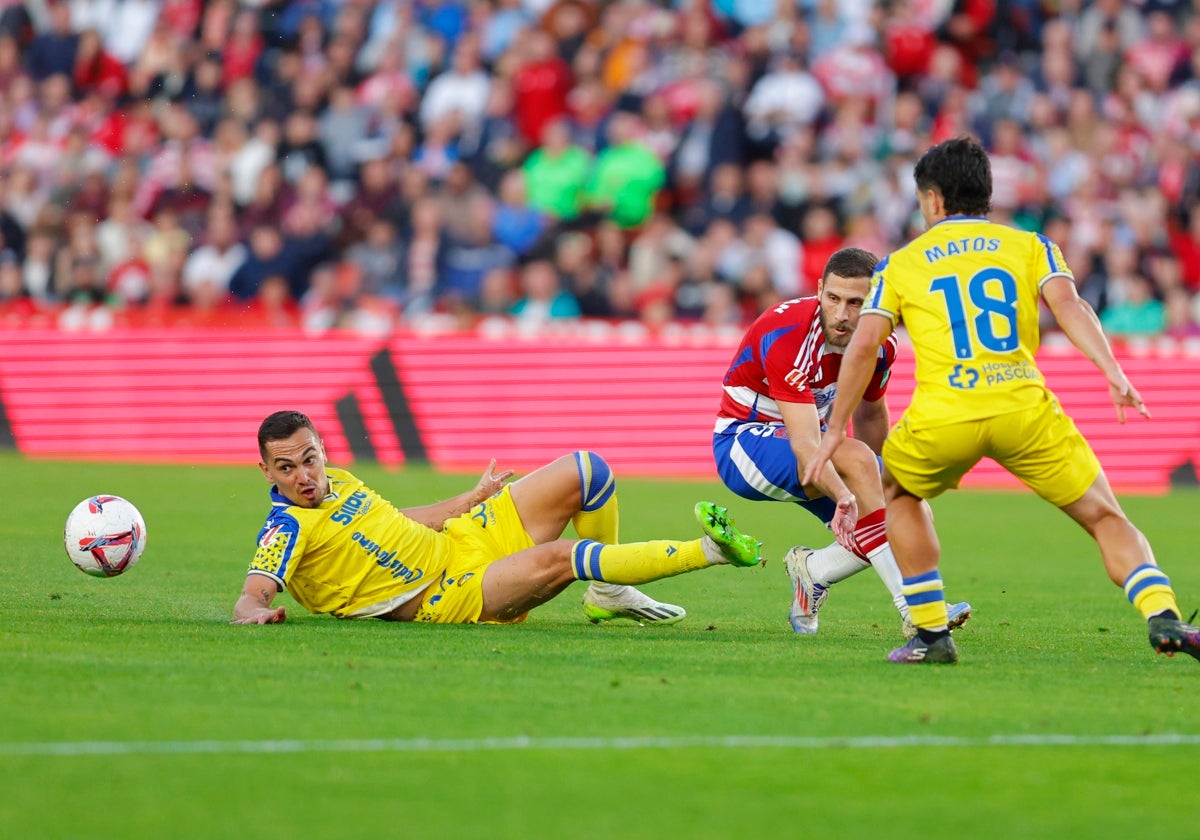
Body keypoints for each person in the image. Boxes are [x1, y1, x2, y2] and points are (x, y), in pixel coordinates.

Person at [803, 136, 1200, 665]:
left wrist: (832, 432)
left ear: (934, 201)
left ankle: (930, 633)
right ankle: (1161, 613)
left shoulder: (900, 264)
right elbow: (1071, 305)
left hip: (947, 412)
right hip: (1024, 408)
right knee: (1106, 517)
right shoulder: (1032, 246)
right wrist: (1112, 370)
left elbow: (864, 348)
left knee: (896, 494)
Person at [232, 411, 762, 627]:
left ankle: (608, 595)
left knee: (587, 470)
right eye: (286, 467)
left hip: (464, 540)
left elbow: (399, 519)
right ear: (265, 471)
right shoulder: (287, 527)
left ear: (323, 449)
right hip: (447, 593)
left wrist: (473, 497)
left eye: (310, 459)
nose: (303, 475)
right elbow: (253, 593)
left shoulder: (340, 480)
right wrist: (255, 613)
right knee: (561, 559)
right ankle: (711, 550)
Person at [712, 246, 970, 636]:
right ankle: (917, 613)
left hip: (812, 444)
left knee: (908, 511)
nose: (841, 314)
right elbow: (804, 443)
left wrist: (885, 490)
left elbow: (869, 414)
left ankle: (813, 571)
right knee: (864, 477)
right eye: (832, 298)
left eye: (855, 302)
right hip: (743, 444)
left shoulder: (881, 344)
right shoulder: (788, 334)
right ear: (819, 290)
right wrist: (848, 496)